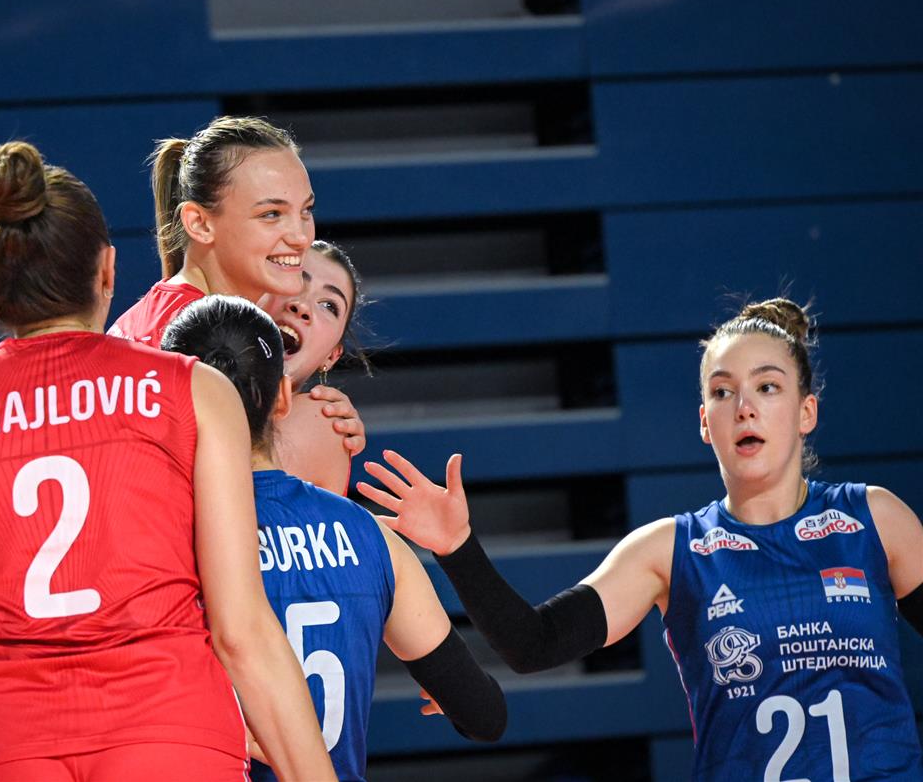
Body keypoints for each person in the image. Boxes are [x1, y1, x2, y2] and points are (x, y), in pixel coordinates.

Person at [0, 142, 333, 781]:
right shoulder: (195, 392)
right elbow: (242, 632)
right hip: (170, 734)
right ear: (107, 270)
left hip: (8, 745)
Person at [359, 298, 923, 780]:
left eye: (767, 387)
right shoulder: (671, 550)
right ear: (704, 422)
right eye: (723, 392)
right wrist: (457, 545)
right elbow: (533, 644)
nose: (745, 407)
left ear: (806, 413)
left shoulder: (874, 518)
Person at [163, 295, 507, 782]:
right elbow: (485, 716)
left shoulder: (164, 536)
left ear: (172, 404)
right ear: (284, 398)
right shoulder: (372, 536)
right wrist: (449, 684)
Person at [109, 116, 366, 488]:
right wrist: (312, 431)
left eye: (305, 211)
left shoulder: (156, 316)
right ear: (200, 223)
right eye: (271, 214)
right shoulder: (204, 343)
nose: (300, 236)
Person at [263, 240, 370, 495]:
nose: (302, 306)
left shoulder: (322, 419)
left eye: (329, 306)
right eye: (295, 281)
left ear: (331, 357)